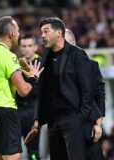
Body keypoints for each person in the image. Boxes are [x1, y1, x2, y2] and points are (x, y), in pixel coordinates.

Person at [0, 16, 43, 160]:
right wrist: (34, 77)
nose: (19, 34)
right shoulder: (9, 56)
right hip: (6, 114)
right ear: (11, 34)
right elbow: (24, 90)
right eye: (18, 31)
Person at [31, 17, 94, 160]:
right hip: (53, 121)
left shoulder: (77, 54)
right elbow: (42, 90)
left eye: (46, 31)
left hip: (72, 118)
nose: (42, 36)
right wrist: (37, 118)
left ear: (59, 32)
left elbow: (87, 89)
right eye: (42, 32)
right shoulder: (45, 57)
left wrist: (81, 118)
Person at [65, 28, 105, 160]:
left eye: (66, 43)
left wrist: (99, 124)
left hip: (89, 126)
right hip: (65, 127)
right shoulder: (53, 69)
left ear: (74, 42)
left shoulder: (91, 66)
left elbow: (99, 94)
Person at [16, 34, 40, 160]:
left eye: (30, 45)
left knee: (34, 152)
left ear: (35, 47)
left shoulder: (42, 63)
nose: (27, 49)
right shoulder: (15, 65)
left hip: (34, 113)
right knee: (13, 150)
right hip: (17, 112)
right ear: (20, 48)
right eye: (24, 46)